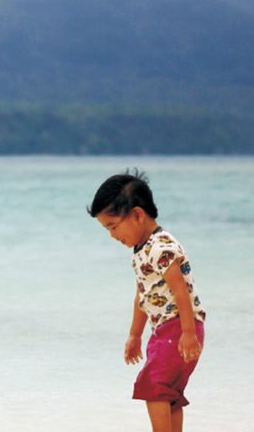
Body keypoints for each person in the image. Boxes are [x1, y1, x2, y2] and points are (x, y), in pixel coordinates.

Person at [87, 170, 207, 432]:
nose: (111, 235)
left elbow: (180, 291)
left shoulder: (161, 247)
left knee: (153, 387)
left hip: (178, 328)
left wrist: (188, 333)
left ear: (138, 215)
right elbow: (143, 294)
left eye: (113, 226)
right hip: (167, 329)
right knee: (168, 394)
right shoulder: (143, 250)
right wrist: (134, 335)